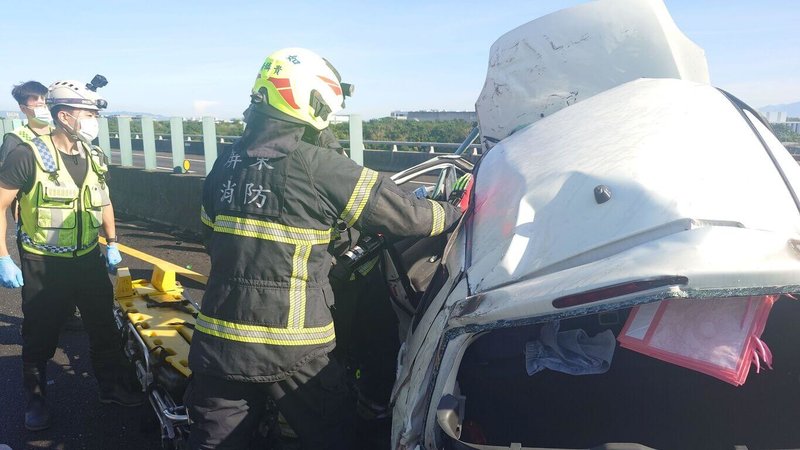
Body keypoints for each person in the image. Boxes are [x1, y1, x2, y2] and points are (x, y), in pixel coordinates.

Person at [187, 47, 465, 449]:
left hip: (219, 339)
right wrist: (455, 212)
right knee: (335, 434)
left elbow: (210, 237)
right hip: (292, 345)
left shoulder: (224, 164)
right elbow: (406, 215)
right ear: (311, 99)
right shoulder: (320, 165)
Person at [0, 79, 142, 432]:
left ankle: (111, 388)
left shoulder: (93, 155)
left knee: (104, 328)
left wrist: (112, 241)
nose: (94, 120)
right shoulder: (27, 153)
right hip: (44, 264)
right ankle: (35, 399)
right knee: (40, 335)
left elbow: (104, 199)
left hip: (87, 260)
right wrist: (3, 255)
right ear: (64, 116)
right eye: (89, 113)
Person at [1, 81, 52, 165]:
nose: (42, 103)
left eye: (43, 98)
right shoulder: (14, 139)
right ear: (23, 109)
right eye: (38, 105)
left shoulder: (58, 132)